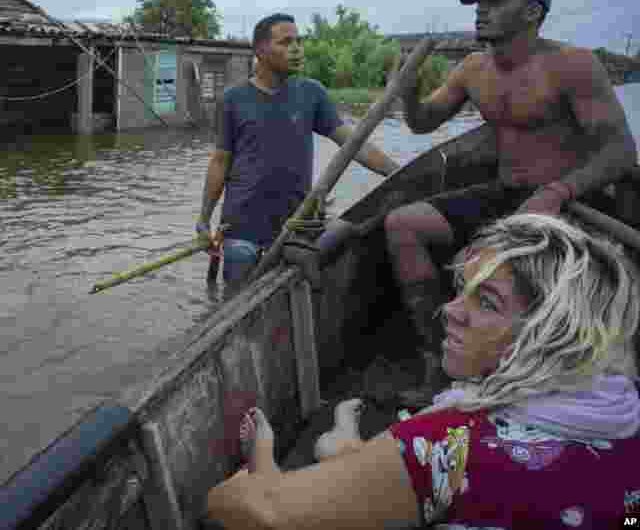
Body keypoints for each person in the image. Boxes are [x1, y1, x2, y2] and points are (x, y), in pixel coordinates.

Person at [207, 213, 640, 529]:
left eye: (485, 302)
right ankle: (341, 442)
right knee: (357, 463)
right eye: (461, 291)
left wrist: (226, 497)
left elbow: (262, 516)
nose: (449, 311)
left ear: (551, 334)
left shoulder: (449, 445)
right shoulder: (626, 410)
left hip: (418, 476)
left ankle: (272, 455)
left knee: (246, 498)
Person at [385, 0, 637, 406]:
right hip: (506, 195)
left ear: (533, 12)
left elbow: (620, 153)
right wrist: (406, 94)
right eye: (479, 2)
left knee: (473, 263)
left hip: (570, 205)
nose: (482, 10)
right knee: (402, 224)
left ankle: (510, 371)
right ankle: (435, 361)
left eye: (496, 1)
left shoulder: (573, 65)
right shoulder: (472, 69)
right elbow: (423, 122)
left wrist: (560, 192)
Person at [197, 13, 400, 287]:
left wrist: (397, 172)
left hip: (297, 225)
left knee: (341, 238)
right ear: (260, 50)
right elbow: (221, 161)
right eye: (285, 42)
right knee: (238, 304)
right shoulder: (233, 99)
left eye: (299, 41)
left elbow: (354, 144)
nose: (296, 49)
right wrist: (203, 220)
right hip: (242, 227)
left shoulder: (311, 93)